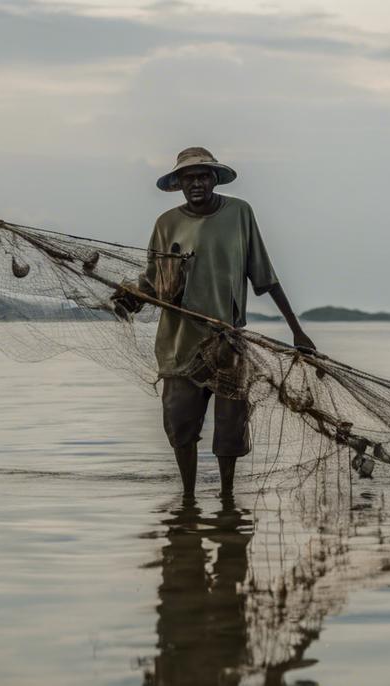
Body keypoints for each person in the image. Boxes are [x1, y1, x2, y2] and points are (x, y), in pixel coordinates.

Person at [117, 147, 315, 495]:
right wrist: (130, 298)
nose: (196, 183)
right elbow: (154, 281)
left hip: (228, 345)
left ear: (214, 179)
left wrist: (298, 330)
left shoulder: (239, 213)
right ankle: (189, 497)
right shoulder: (166, 224)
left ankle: (226, 497)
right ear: (178, 184)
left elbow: (265, 277)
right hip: (179, 346)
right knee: (180, 427)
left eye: (202, 176)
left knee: (230, 429)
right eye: (188, 178)